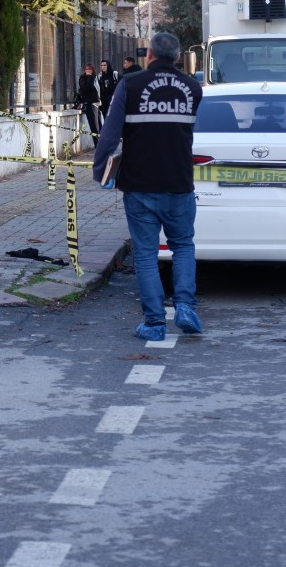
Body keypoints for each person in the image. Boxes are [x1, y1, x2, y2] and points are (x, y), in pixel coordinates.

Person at [92, 32, 203, 342]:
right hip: (179, 183)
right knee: (183, 246)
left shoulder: (130, 84)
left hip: (139, 185)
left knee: (145, 254)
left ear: (150, 54)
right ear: (178, 57)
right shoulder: (193, 88)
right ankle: (185, 307)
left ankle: (154, 323)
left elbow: (109, 134)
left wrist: (100, 171)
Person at [76, 63, 101, 145]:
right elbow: (87, 88)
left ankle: (101, 145)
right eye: (87, 69)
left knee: (99, 126)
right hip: (89, 104)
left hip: (97, 104)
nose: (88, 71)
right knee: (94, 127)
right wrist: (89, 77)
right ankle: (98, 145)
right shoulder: (83, 78)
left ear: (93, 70)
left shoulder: (95, 78)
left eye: (90, 69)